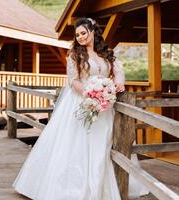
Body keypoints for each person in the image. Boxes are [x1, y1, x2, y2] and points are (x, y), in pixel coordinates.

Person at [13, 18, 149, 200]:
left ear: (92, 32)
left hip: (105, 106)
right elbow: (73, 80)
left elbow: (117, 70)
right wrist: (89, 93)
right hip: (82, 101)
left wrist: (118, 83)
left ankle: (108, 184)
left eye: (83, 33)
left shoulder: (105, 53)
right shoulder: (75, 55)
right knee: (79, 142)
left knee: (104, 141)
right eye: (77, 35)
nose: (80, 37)